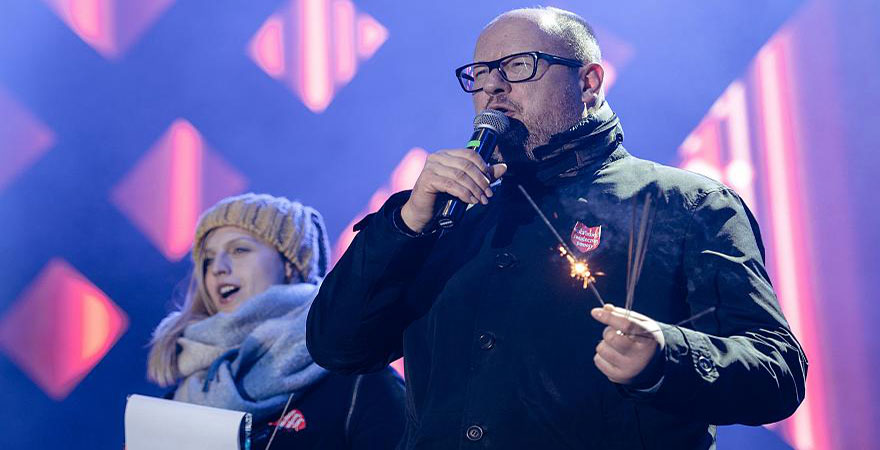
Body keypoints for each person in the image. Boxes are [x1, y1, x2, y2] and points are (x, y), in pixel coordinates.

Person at [306, 6, 807, 449]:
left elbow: (778, 370)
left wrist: (666, 356)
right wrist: (406, 223)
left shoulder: (686, 205)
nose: (492, 87)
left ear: (588, 82)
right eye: (480, 74)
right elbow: (337, 346)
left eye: (517, 66)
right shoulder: (445, 218)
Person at [147, 193, 406, 450]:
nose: (218, 268)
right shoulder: (183, 396)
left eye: (239, 249)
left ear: (290, 264)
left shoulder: (358, 381)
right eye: (208, 259)